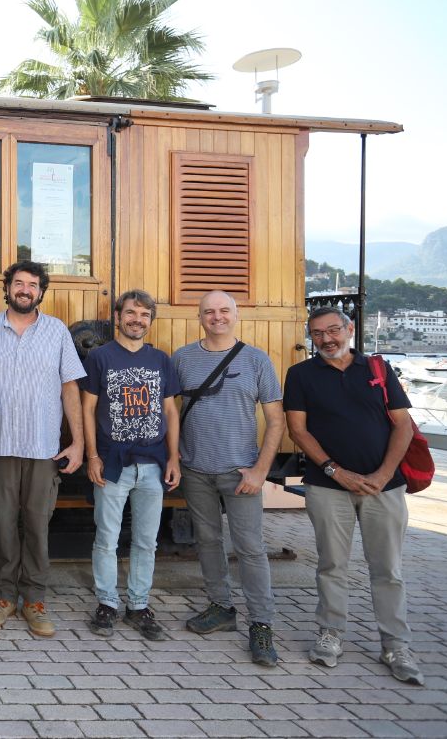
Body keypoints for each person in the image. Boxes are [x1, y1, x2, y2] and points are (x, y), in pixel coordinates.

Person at [284, 307, 423, 685]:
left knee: (388, 569)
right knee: (332, 565)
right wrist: (335, 470)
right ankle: (330, 635)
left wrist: (381, 475)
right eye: (317, 333)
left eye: (333, 330)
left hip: (385, 487)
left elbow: (403, 426)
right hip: (328, 486)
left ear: (349, 329)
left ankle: (395, 644)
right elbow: (299, 431)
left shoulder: (377, 369)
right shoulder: (300, 375)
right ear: (311, 337)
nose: (326, 339)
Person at [0, 260, 85, 637]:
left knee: (36, 525)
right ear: (7, 288)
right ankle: (4, 596)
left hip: (42, 448)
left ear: (41, 292)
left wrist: (78, 442)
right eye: (18, 283)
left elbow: (70, 388)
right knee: (2, 524)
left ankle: (34, 599)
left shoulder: (57, 332)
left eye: (32, 285)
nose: (24, 290)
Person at [174, 290, 282, 667]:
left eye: (223, 311)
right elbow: (171, 414)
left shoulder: (256, 360)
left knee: (251, 549)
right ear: (199, 316)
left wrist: (261, 470)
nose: (216, 317)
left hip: (241, 473)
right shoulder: (182, 358)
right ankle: (221, 606)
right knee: (207, 541)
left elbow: (276, 420)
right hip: (195, 469)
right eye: (209, 312)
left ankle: (261, 624)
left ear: (235, 315)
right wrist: (174, 457)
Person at [82, 289, 181, 642]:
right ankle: (107, 603)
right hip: (112, 464)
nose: (137, 320)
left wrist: (173, 457)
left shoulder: (161, 360)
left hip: (153, 463)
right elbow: (88, 408)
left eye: (144, 315)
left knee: (146, 540)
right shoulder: (100, 357)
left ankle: (138, 605)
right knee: (106, 538)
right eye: (131, 313)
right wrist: (92, 455)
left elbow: (170, 410)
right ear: (118, 316)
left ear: (150, 320)